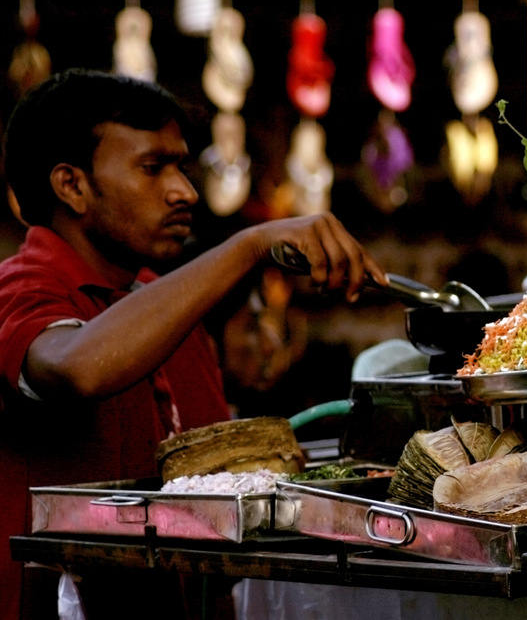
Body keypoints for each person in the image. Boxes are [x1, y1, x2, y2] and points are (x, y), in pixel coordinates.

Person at [0, 70, 387, 619]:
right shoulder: (18, 287)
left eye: (181, 166)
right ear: (72, 186)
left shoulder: (163, 304)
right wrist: (250, 246)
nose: (185, 191)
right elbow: (74, 368)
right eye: (153, 167)